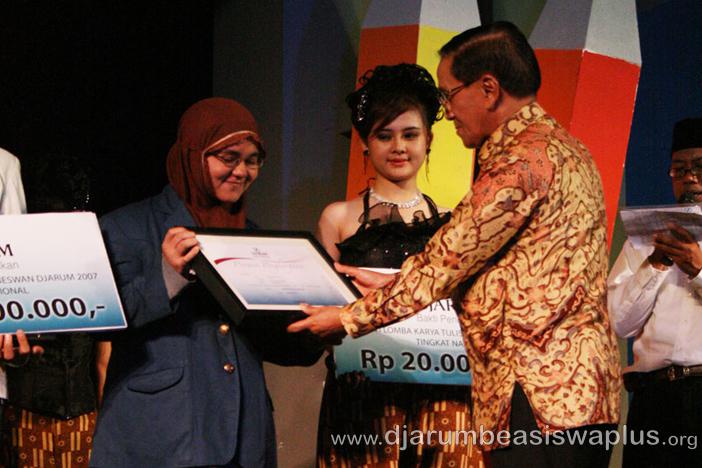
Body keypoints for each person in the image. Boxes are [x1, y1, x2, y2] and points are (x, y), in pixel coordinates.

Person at [290, 21, 621, 468]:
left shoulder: (521, 162)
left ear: (488, 89)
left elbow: (444, 262)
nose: (446, 111)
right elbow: (514, 273)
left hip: (538, 398)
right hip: (577, 397)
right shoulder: (569, 150)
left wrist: (348, 317)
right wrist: (392, 285)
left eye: (449, 95)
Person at [90, 98, 276, 467]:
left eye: (252, 160)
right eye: (229, 158)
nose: (241, 171)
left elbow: (274, 343)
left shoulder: (257, 240)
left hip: (245, 438)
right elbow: (100, 320)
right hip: (158, 434)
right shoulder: (125, 227)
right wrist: (168, 277)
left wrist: (317, 325)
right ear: (193, 155)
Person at [316, 63, 482, 467]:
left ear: (429, 140)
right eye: (384, 135)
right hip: (365, 394)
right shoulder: (338, 217)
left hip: (445, 396)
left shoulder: (454, 221)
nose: (398, 147)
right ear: (365, 142)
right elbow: (325, 305)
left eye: (410, 135)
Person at [1, 154, 110, 468]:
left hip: (83, 417)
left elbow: (103, 353)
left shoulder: (94, 265)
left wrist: (107, 421)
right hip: (25, 416)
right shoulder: (16, 266)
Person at [607, 117, 702, 467]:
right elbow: (619, 323)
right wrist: (656, 264)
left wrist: (698, 270)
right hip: (653, 400)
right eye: (679, 169)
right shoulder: (645, 238)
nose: (689, 178)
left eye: (699, 167)